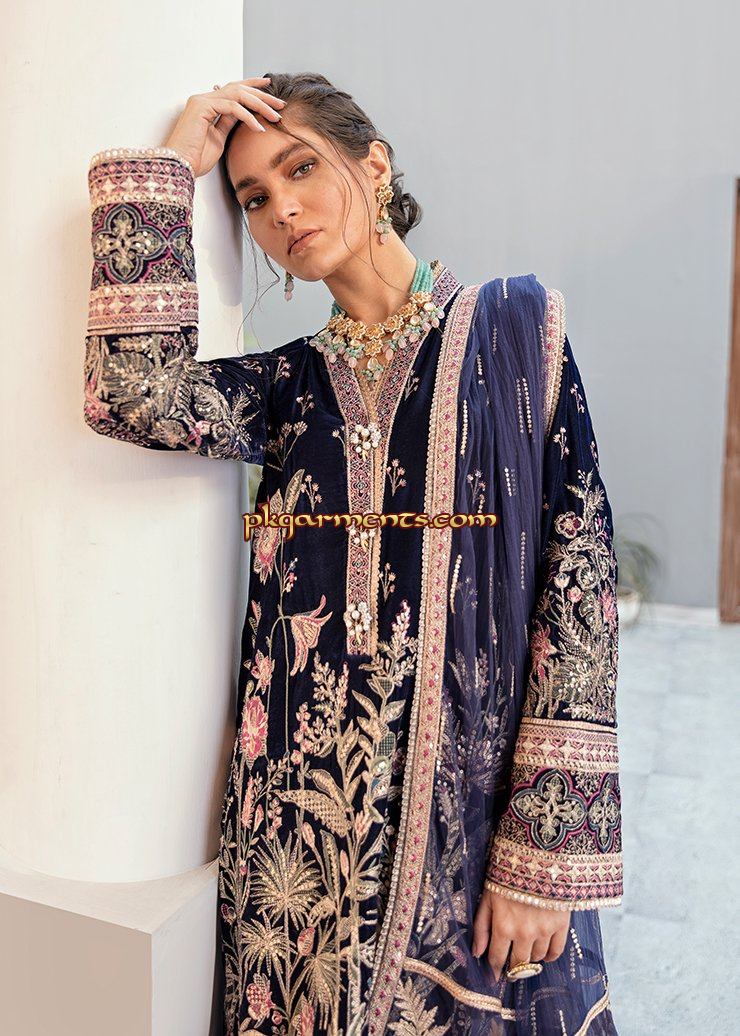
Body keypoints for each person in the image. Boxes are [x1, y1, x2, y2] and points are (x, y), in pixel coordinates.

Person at [83, 72, 623, 1036]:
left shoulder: (514, 329)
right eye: (253, 197)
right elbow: (131, 395)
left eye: (301, 169)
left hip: (467, 831)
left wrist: (544, 855)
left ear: (375, 166)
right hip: (296, 848)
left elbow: (578, 587)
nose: (282, 210)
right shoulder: (290, 386)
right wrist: (167, 172)